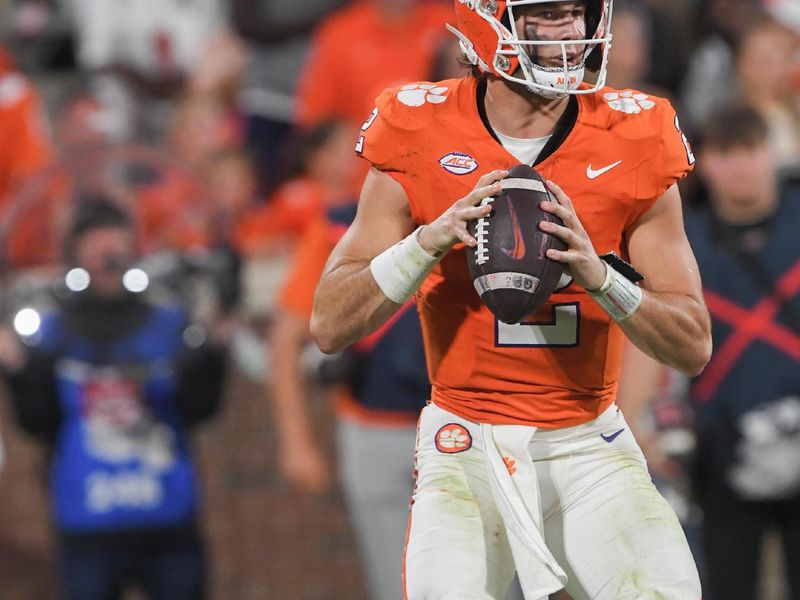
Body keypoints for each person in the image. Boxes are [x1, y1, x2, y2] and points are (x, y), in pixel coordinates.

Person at [310, 1, 712, 598]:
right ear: (486, 21)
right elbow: (328, 323)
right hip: (463, 446)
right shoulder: (419, 127)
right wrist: (427, 241)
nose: (569, 32)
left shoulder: (636, 134)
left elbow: (692, 345)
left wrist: (602, 277)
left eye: (576, 13)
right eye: (545, 16)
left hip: (587, 444)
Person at [0, 199, 227, 600]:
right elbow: (36, 423)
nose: (108, 258)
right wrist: (19, 374)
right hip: (87, 525)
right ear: (74, 256)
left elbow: (199, 409)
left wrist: (211, 355)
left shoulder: (169, 323)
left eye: (117, 243)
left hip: (168, 519)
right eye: (94, 246)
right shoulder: (50, 332)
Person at [269, 200, 429, 600]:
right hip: (376, 425)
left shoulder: (480, 207)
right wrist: (296, 441)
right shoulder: (339, 224)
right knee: (398, 586)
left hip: (474, 425)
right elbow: (289, 337)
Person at [686, 103, 800, 600]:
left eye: (750, 150)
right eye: (725, 153)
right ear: (704, 163)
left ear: (771, 153)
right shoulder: (682, 237)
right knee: (726, 585)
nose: (739, 166)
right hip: (718, 446)